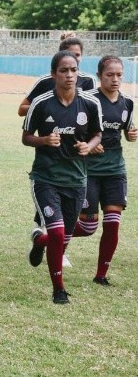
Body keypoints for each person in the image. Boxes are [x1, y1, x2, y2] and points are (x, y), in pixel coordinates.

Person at [23, 50, 102, 305]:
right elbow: (26, 137)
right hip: (45, 178)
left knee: (63, 236)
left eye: (73, 70)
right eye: (64, 70)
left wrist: (89, 146)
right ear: (53, 74)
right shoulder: (41, 102)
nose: (69, 75)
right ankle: (59, 290)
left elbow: (97, 134)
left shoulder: (90, 103)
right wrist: (44, 140)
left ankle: (39, 241)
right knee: (58, 234)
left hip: (77, 179)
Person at [72, 56, 136, 286]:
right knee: (88, 226)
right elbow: (71, 130)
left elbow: (127, 130)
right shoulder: (87, 100)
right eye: (110, 75)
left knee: (113, 223)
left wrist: (131, 134)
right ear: (100, 76)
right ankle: (46, 238)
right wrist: (88, 143)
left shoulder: (128, 103)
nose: (115, 79)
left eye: (119, 75)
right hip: (89, 171)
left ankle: (101, 275)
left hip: (115, 170)